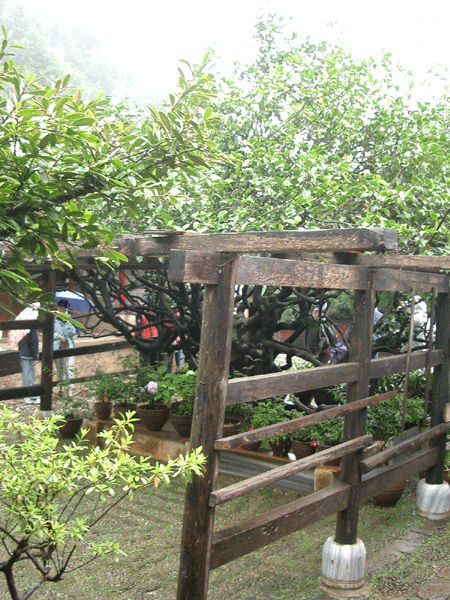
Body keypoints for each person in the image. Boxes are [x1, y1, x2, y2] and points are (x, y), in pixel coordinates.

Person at [53, 299, 78, 397]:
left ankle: (70, 390)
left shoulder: (70, 319)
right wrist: (58, 336)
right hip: (57, 346)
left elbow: (74, 332)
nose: (60, 309)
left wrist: (68, 323)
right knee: (60, 368)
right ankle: (61, 388)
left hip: (69, 347)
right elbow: (49, 333)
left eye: (62, 308)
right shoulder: (53, 319)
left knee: (69, 368)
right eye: (59, 307)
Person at [18, 329, 40, 404]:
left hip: (22, 353)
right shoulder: (32, 328)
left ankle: (27, 395)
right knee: (30, 376)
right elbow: (34, 342)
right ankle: (30, 396)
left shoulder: (22, 327)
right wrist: (35, 356)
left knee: (25, 375)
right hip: (29, 354)